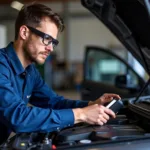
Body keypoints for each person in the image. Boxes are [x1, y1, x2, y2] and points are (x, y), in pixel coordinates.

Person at [0, 3, 121, 144]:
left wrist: (90, 105)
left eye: (54, 42)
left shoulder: (30, 72)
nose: (51, 48)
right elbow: (18, 117)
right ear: (24, 32)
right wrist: (81, 114)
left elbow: (54, 102)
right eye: (47, 39)